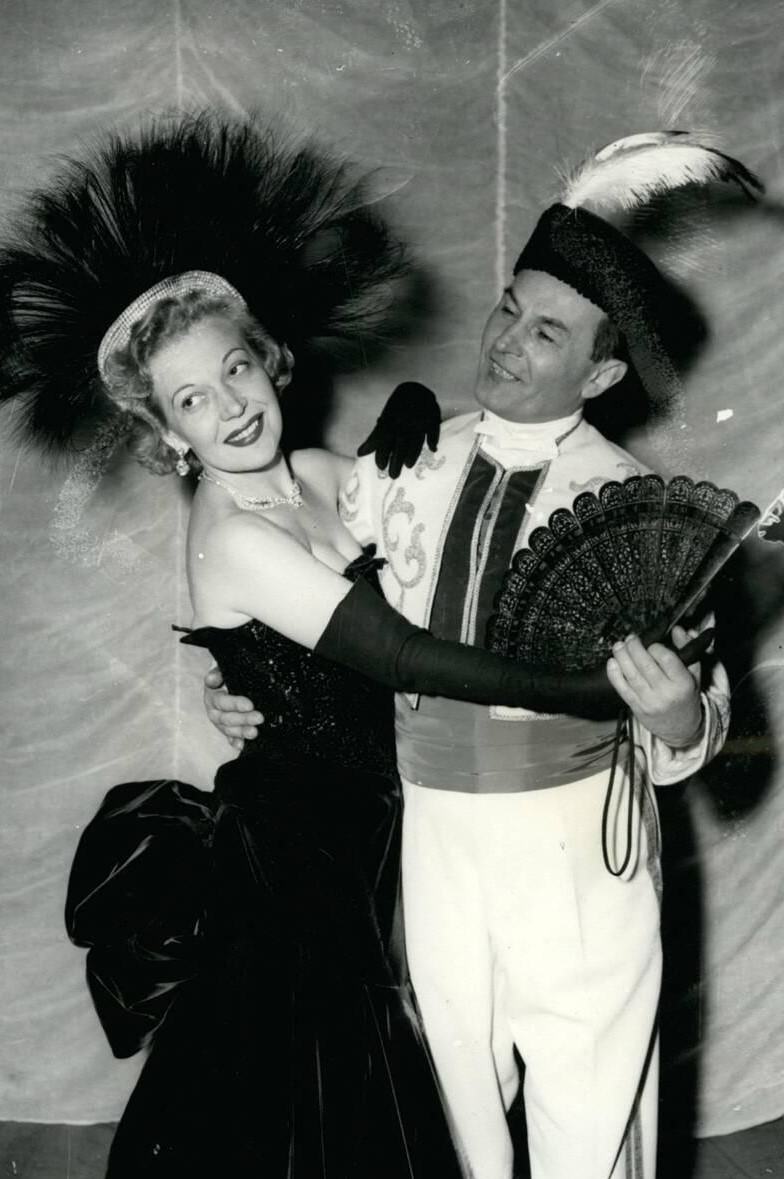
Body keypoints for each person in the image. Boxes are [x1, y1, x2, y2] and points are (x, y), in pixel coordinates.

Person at [0, 114, 680, 1179]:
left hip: (395, 821)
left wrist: (408, 408)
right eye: (191, 401)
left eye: (234, 371)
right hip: (304, 848)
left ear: (267, 359)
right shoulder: (231, 534)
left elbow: (398, 510)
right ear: (166, 437)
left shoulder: (315, 471)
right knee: (321, 1106)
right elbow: (403, 655)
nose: (226, 408)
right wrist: (586, 690)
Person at [208, 133, 759, 1179]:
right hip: (436, 847)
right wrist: (239, 687)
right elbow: (306, 602)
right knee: (452, 1123)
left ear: (600, 371)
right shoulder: (410, 462)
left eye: (546, 332)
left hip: (576, 863)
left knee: (588, 1123)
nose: (506, 341)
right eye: (509, 306)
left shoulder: (635, 512)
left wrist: (680, 714)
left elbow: (706, 720)